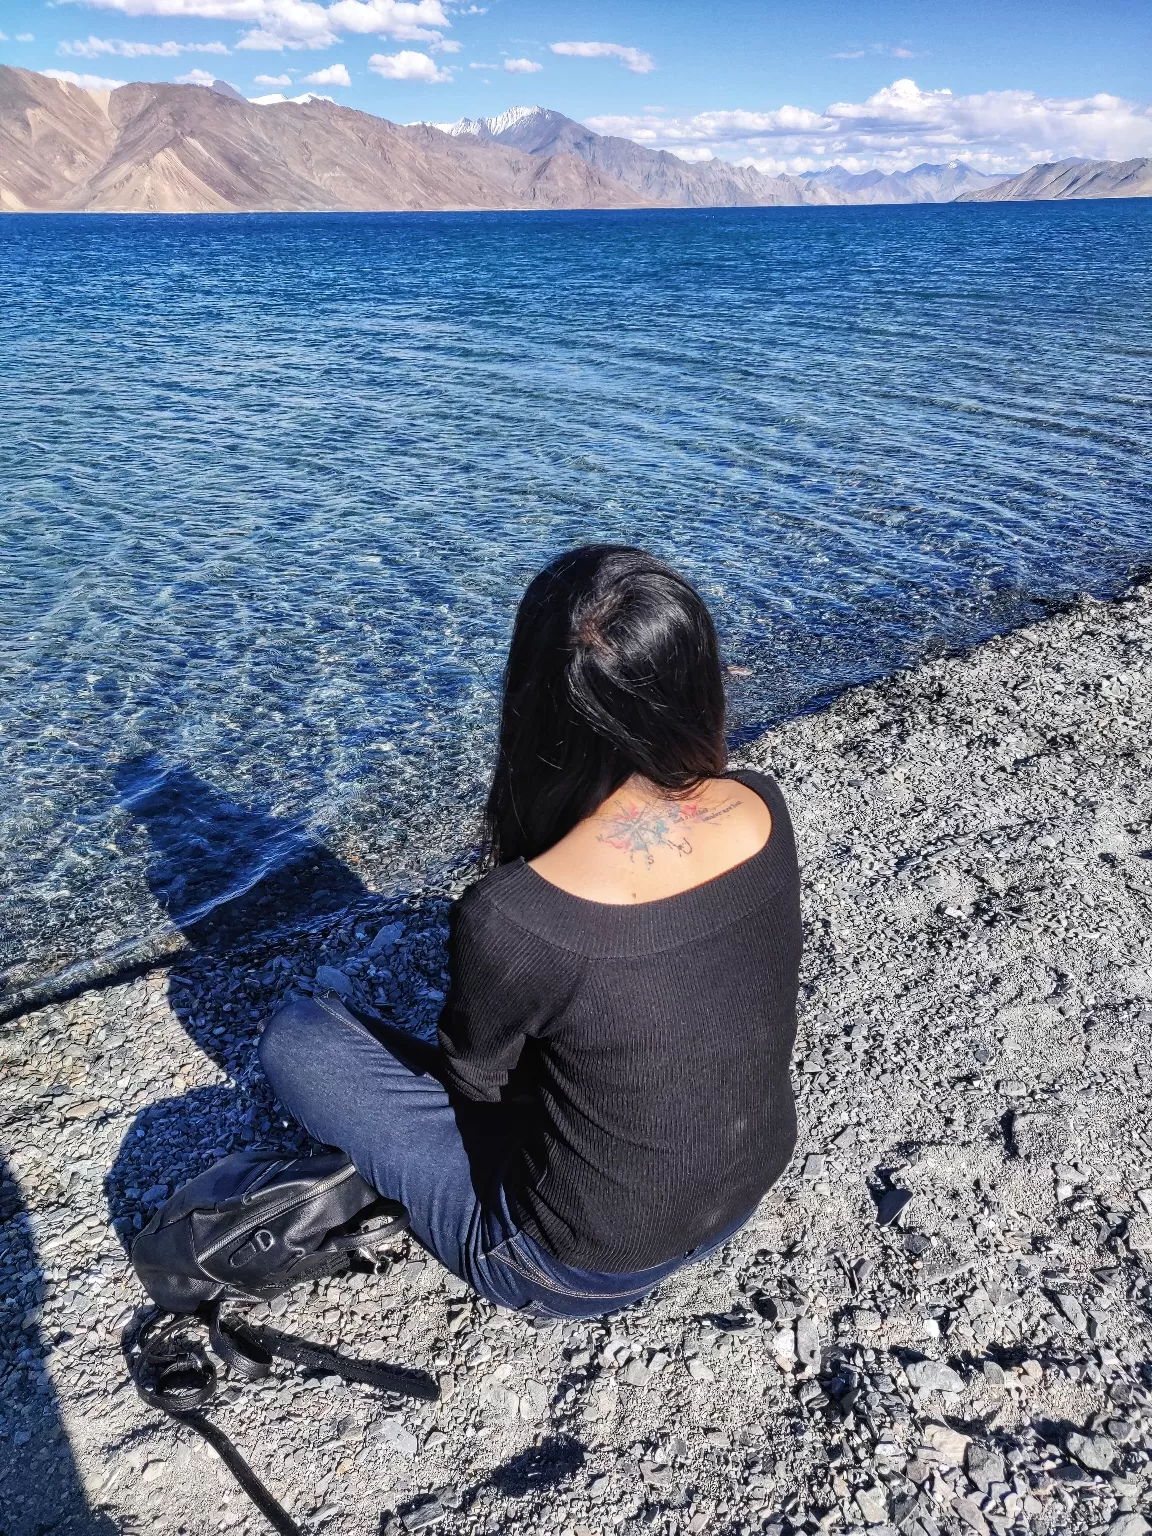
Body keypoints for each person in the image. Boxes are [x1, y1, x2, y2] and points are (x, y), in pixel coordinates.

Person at [259, 546, 802, 1319]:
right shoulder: (759, 806)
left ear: (534, 706)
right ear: (695, 681)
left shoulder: (515, 913)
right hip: (749, 1180)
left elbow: (476, 1082)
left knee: (297, 1036)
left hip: (571, 1269)